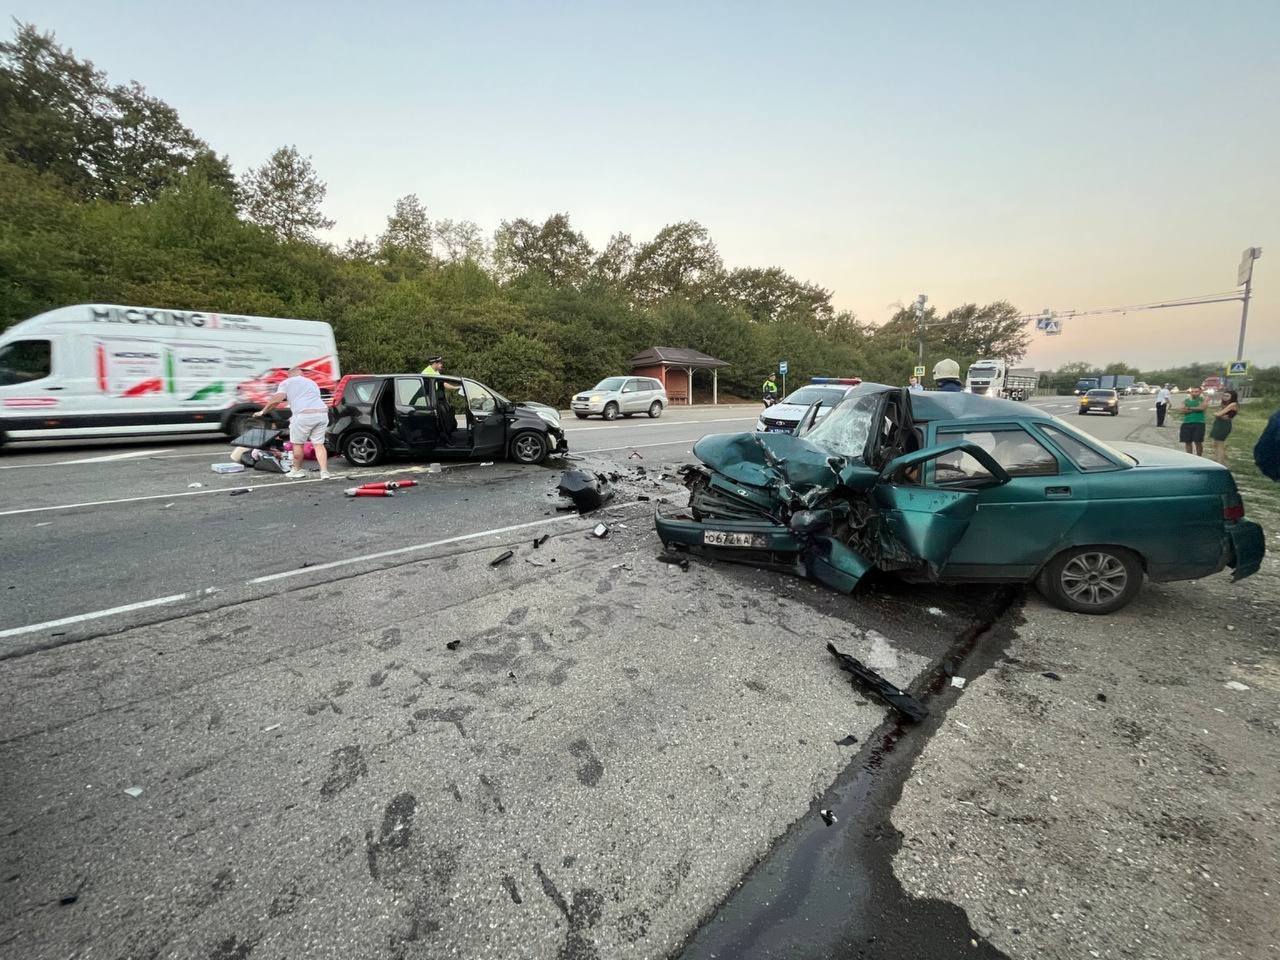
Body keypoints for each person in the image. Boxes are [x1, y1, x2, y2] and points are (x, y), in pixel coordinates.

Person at [255, 365, 334, 479]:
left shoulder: (287, 382)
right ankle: (324, 472)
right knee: (318, 444)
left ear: (290, 374)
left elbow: (277, 399)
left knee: (298, 444)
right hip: (322, 414)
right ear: (301, 374)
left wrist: (263, 411)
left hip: (303, 416)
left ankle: (297, 470)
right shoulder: (312, 382)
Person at [422, 355, 461, 445]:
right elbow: (442, 385)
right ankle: (445, 441)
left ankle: (448, 435)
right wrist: (456, 387)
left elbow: (443, 383)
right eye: (440, 363)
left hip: (440, 401)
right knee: (442, 422)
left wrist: (457, 387)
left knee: (449, 415)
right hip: (435, 402)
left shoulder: (435, 371)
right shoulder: (427, 373)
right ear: (435, 363)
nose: (441, 365)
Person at [1175, 385, 1209, 457]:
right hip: (1186, 423)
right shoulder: (1186, 400)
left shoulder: (1203, 399)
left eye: (1196, 392)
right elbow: (1181, 410)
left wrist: (1189, 408)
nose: (1194, 393)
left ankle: (1199, 457)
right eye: (1192, 392)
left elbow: (1202, 408)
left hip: (1199, 423)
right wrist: (1195, 409)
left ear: (1200, 392)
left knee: (1198, 442)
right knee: (1187, 442)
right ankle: (1190, 457)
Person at [1208, 389, 1239, 466]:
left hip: (1224, 425)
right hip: (1218, 423)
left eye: (1227, 396)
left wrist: (1217, 414)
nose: (1225, 397)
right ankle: (1218, 460)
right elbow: (1220, 414)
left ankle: (1220, 463)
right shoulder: (1225, 404)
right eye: (1224, 395)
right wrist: (1218, 414)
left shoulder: (1233, 404)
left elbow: (1218, 414)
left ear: (1232, 397)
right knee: (1215, 444)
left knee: (1220, 444)